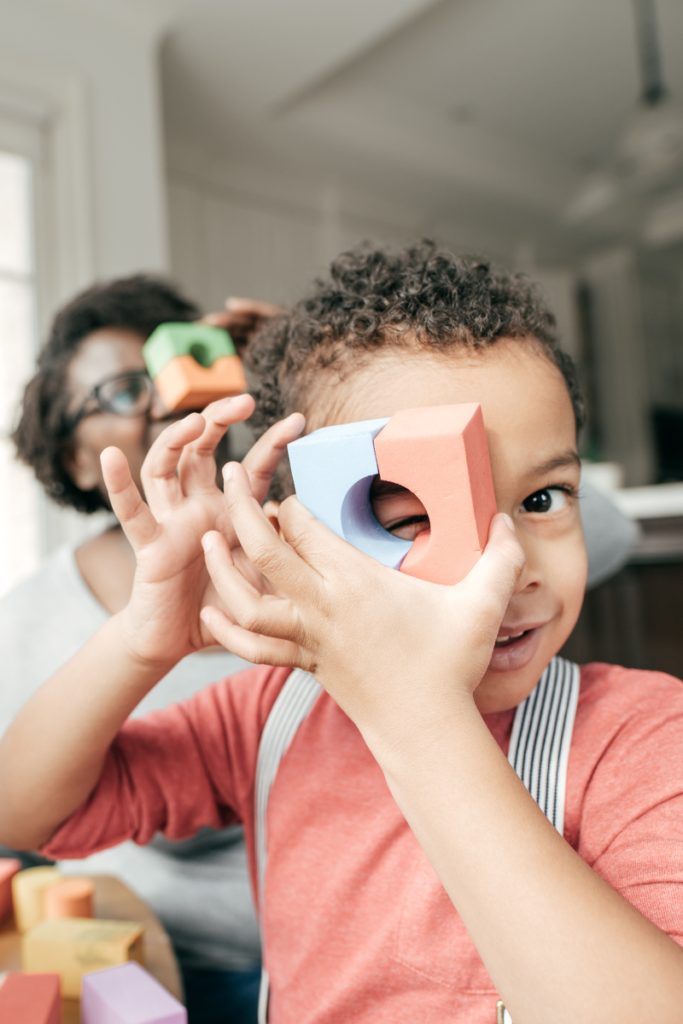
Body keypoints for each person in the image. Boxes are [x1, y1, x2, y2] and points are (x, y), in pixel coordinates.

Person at [1, 241, 681, 1023]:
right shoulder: (268, 718)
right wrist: (139, 640)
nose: (509, 566)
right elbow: (25, 815)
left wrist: (418, 714)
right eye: (411, 518)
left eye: (541, 500)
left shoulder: (642, 738)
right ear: (294, 540)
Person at [2, 275, 279, 1024]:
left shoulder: (302, 526)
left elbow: (599, 530)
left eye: (165, 372)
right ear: (77, 460)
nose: (160, 400)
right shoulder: (28, 620)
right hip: (174, 970)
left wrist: (313, 372)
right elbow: (16, 817)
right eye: (123, 391)